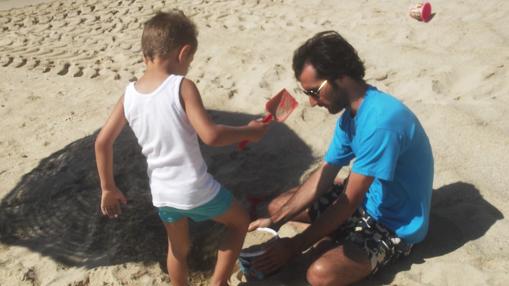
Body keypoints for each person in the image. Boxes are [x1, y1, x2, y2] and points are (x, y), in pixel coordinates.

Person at [94, 11, 270, 286]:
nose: (188, 67)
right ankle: (219, 282)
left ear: (145, 55)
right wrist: (251, 131)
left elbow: (102, 142)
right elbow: (211, 135)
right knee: (238, 221)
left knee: (177, 249)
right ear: (183, 52)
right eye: (190, 60)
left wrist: (108, 188)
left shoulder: (129, 95)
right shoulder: (182, 86)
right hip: (193, 187)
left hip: (163, 193)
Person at [248, 31, 434, 286]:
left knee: (320, 274)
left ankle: (336, 242)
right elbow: (327, 171)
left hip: (393, 223)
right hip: (366, 201)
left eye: (314, 91)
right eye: (307, 94)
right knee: (277, 206)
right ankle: (330, 236)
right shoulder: (351, 115)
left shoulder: (381, 123)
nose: (312, 102)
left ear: (341, 77)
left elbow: (348, 201)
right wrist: (277, 220)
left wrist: (295, 247)